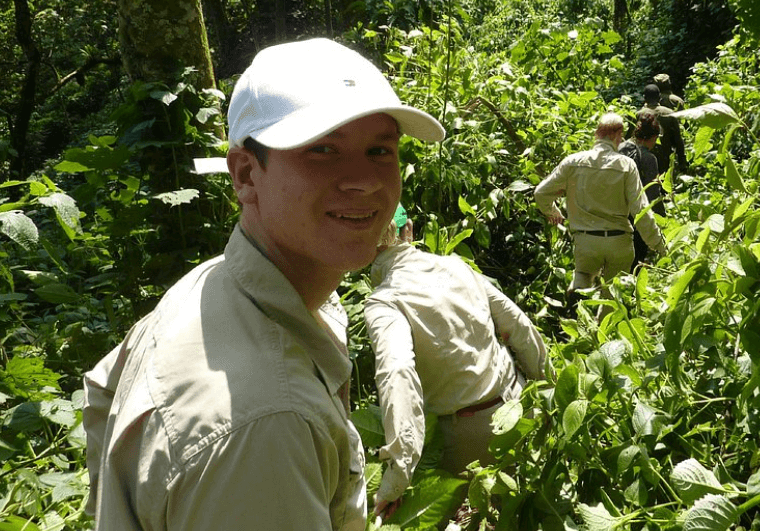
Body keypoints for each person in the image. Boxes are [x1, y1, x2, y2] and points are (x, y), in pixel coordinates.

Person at [82, 38, 445, 531]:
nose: (364, 180)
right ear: (246, 174)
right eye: (322, 150)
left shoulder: (210, 287)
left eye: (380, 150)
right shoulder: (265, 423)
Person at [365, 210, 547, 520]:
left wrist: (399, 472)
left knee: (419, 518)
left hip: (463, 437)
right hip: (517, 406)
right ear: (409, 228)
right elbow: (517, 324)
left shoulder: (385, 300)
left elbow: (397, 373)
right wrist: (548, 386)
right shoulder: (455, 266)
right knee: (524, 515)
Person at [534, 112, 666, 301]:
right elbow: (641, 211)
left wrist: (552, 210)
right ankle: (601, 323)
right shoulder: (626, 165)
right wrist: (659, 245)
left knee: (584, 272)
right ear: (618, 136)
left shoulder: (573, 162)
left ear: (597, 133)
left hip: (586, 241)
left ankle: (579, 288)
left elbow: (541, 193)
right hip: (619, 241)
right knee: (612, 295)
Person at [619, 112, 664, 271]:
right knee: (635, 261)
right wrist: (661, 221)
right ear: (652, 137)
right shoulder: (649, 159)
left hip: (615, 212)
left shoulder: (620, 148)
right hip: (636, 216)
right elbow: (652, 193)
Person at [639, 84, 688, 175]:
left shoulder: (639, 114)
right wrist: (682, 162)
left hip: (644, 160)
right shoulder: (669, 113)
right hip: (665, 158)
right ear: (659, 98)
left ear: (644, 98)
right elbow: (678, 139)